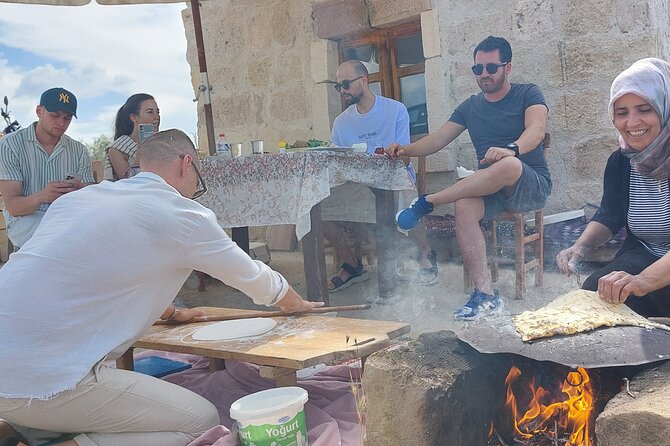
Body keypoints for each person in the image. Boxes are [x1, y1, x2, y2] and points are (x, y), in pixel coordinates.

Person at [0, 129, 323, 446]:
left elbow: (93, 272)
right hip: (41, 380)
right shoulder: (182, 213)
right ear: (186, 164)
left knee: (37, 415)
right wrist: (295, 303)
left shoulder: (84, 198)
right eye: (197, 173)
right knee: (201, 422)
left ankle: (19, 428)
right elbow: (253, 277)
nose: (196, 183)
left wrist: (170, 311)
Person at [388, 36, 550, 320]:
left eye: (491, 67)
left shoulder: (528, 93)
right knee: (463, 206)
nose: (484, 74)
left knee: (509, 165)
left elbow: (536, 131)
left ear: (507, 67)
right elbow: (438, 139)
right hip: (491, 187)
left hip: (530, 183)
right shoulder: (470, 107)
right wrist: (404, 149)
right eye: (478, 69)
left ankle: (429, 201)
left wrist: (510, 150)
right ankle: (485, 295)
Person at [557, 58, 670, 317]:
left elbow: (646, 282)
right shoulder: (622, 161)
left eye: (644, 109)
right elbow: (610, 214)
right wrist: (580, 247)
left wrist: (643, 281)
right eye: (622, 113)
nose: (632, 123)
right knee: (595, 295)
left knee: (657, 296)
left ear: (664, 106)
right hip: (646, 252)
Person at [323, 60, 438, 292]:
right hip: (356, 186)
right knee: (316, 203)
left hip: (393, 180)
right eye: (338, 87)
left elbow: (405, 157)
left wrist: (396, 151)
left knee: (406, 195)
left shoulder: (395, 109)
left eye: (345, 84)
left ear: (363, 81)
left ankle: (426, 253)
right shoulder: (341, 123)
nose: (342, 91)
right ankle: (351, 264)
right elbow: (336, 161)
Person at [0, 87, 94, 249]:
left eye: (67, 118)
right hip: (26, 219)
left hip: (67, 219)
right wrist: (42, 196)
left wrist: (83, 191)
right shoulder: (10, 145)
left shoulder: (79, 150)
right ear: (39, 111)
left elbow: (89, 197)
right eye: (55, 115)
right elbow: (14, 207)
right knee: (58, 243)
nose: (61, 122)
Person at [104, 93, 159, 181]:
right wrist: (139, 156)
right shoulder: (117, 149)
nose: (156, 117)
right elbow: (130, 183)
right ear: (134, 117)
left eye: (157, 112)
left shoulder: (162, 144)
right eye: (150, 112)